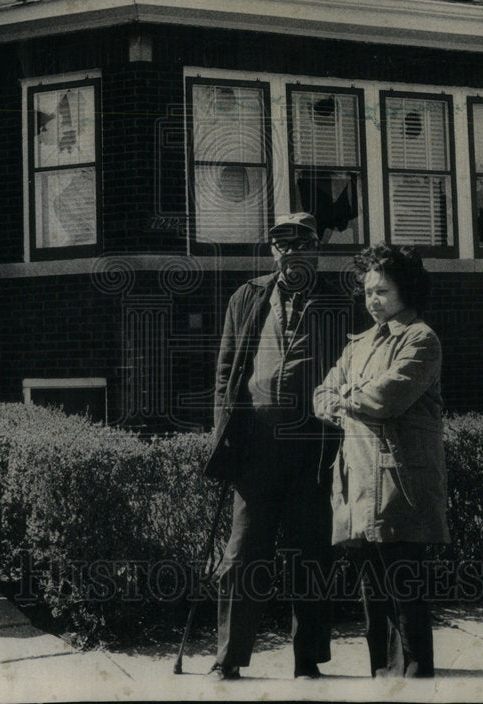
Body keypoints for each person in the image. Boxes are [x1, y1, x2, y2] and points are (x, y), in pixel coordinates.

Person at [204, 212, 342, 681]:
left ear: (316, 249)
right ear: (272, 251)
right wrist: (225, 434)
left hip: (314, 448)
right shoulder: (248, 296)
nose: (290, 252)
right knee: (242, 555)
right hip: (256, 449)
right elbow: (226, 372)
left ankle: (308, 661)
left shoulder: (339, 300)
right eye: (281, 244)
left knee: (311, 554)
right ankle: (228, 658)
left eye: (300, 242)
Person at [313, 243, 449, 679]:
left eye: (382, 292)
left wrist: (346, 396)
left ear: (406, 291)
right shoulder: (360, 344)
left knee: (405, 587)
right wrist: (343, 398)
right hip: (358, 482)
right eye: (368, 292)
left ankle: (414, 674)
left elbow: (386, 397)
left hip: (398, 482)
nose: (373, 301)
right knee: (373, 591)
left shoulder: (421, 339)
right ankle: (383, 676)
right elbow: (322, 394)